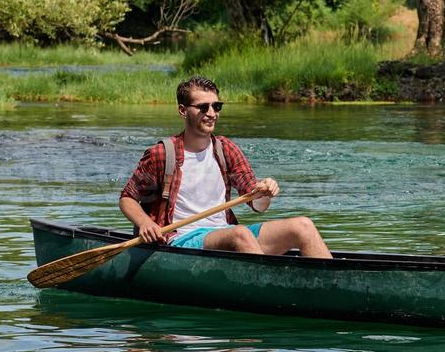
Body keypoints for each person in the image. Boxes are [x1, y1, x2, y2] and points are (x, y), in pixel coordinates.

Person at [119, 76, 332, 259]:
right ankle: (269, 289)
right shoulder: (163, 153)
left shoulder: (225, 149)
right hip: (181, 239)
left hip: (227, 233)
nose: (212, 113)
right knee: (240, 234)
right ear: (183, 111)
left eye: (216, 106)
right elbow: (128, 198)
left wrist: (264, 191)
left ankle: (333, 289)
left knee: (303, 226)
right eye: (203, 107)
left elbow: (258, 205)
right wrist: (146, 223)